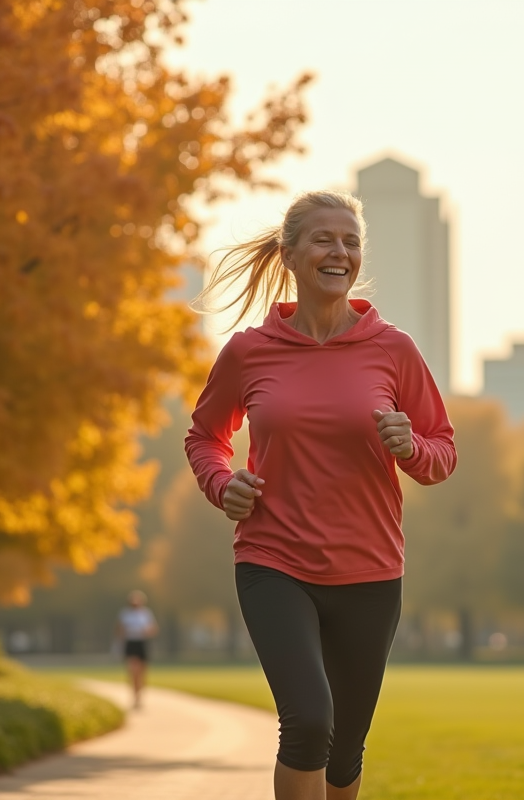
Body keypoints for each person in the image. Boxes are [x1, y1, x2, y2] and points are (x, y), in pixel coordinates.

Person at [185, 190, 456, 800]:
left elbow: (443, 453)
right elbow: (205, 436)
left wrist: (410, 446)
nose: (340, 252)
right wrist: (222, 483)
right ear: (290, 254)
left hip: (369, 569)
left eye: (351, 242)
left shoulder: (394, 349)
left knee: (345, 748)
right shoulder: (249, 351)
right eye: (324, 240)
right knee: (309, 723)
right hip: (273, 563)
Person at [116, 589, 158, 710]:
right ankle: (134, 695)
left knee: (142, 672)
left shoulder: (146, 614)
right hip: (131, 643)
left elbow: (152, 629)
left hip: (142, 643)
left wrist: (145, 631)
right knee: (133, 670)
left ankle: (139, 695)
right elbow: (120, 630)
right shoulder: (125, 614)